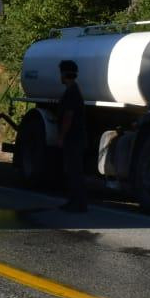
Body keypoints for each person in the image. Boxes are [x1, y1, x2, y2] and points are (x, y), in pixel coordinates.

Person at [57, 59, 89, 212]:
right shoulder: (75, 91)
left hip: (73, 138)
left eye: (61, 73)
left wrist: (61, 137)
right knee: (74, 170)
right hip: (77, 137)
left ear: (64, 74)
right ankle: (76, 202)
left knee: (73, 171)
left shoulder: (72, 93)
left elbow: (68, 117)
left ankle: (77, 203)